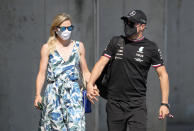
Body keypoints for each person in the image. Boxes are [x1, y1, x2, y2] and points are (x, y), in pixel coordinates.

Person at [87, 10, 170, 131]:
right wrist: (90, 83)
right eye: (126, 21)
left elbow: (163, 75)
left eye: (132, 23)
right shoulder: (115, 41)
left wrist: (164, 104)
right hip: (114, 103)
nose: (127, 25)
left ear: (142, 26)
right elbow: (101, 63)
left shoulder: (151, 47)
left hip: (137, 105)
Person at [34, 13, 91, 131]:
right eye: (64, 28)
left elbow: (85, 72)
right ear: (56, 29)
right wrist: (38, 94)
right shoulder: (47, 48)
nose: (67, 31)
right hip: (53, 93)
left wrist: (91, 86)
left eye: (70, 28)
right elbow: (41, 73)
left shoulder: (79, 46)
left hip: (73, 93)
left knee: (77, 126)